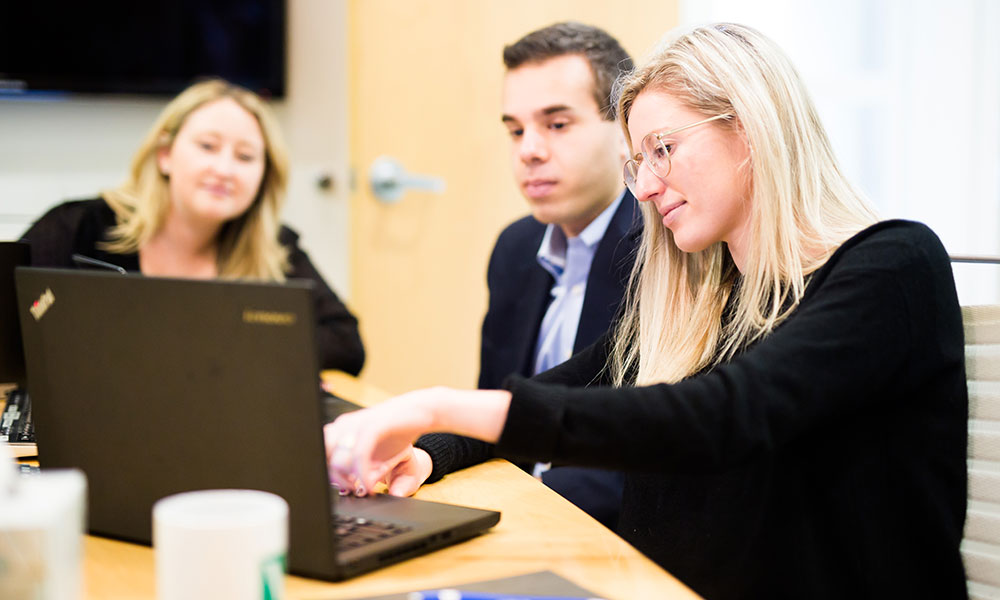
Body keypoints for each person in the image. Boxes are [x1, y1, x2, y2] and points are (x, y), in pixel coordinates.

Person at [324, 23, 967, 599]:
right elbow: (569, 386)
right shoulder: (706, 290)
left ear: (749, 127)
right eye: (639, 161)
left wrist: (435, 405)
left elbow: (718, 418)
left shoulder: (892, 266)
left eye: (663, 148)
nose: (648, 186)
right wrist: (431, 450)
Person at [21, 79, 365, 375]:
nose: (225, 169)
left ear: (263, 177)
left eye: (245, 157)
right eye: (207, 147)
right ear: (165, 155)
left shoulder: (275, 246)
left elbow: (346, 344)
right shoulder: (77, 226)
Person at [468, 22, 639, 530]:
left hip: (603, 529)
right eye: (516, 130)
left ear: (625, 126)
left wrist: (525, 512)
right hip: (511, 511)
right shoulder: (515, 248)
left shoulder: (668, 252)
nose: (528, 151)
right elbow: (492, 407)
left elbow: (634, 461)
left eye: (557, 125)